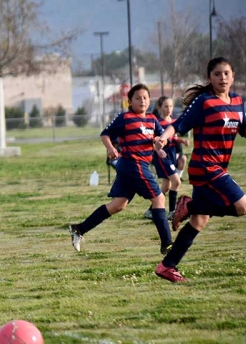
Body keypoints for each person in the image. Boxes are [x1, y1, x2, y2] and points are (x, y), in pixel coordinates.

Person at [155, 57, 246, 282]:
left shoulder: (238, 101)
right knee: (243, 207)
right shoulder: (204, 102)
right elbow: (177, 125)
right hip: (205, 166)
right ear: (209, 78)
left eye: (226, 73)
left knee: (199, 221)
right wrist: (162, 138)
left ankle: (167, 266)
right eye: (217, 74)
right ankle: (189, 204)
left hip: (218, 166)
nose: (222, 78)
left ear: (233, 76)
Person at [69, 83, 173, 255]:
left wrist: (160, 144)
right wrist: (110, 148)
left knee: (118, 205)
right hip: (133, 164)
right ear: (130, 101)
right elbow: (105, 133)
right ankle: (167, 243)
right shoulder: (125, 118)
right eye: (137, 98)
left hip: (134, 166)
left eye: (145, 98)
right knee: (159, 199)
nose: (142, 101)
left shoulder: (153, 120)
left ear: (150, 101)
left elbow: (161, 138)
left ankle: (79, 229)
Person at [143, 96, 190, 220]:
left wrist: (182, 140)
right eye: (165, 106)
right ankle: (172, 212)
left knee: (166, 186)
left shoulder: (173, 122)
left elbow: (172, 138)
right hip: (163, 156)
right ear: (159, 107)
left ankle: (150, 211)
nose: (168, 109)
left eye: (170, 106)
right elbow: (154, 140)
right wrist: (157, 150)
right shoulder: (157, 123)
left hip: (172, 153)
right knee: (177, 182)